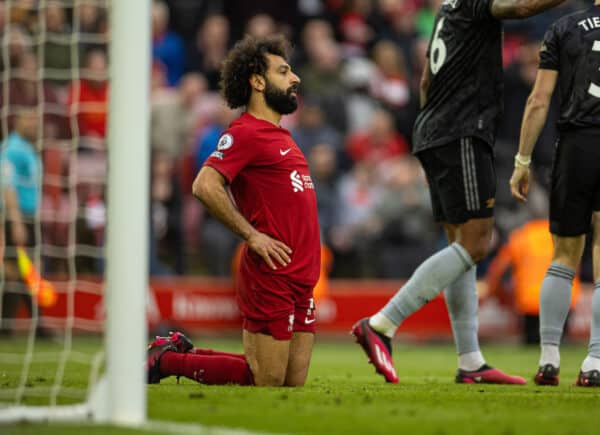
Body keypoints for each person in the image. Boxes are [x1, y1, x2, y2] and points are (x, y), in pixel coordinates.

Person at [351, 0, 567, 384]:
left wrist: (431, 128)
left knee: (460, 245)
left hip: (436, 130)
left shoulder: (447, 10)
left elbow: (424, 82)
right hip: (462, 131)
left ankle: (470, 361)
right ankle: (382, 324)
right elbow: (518, 9)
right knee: (478, 241)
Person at [146, 34, 321, 387]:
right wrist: (252, 235)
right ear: (257, 82)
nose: (295, 78)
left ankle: (175, 351)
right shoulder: (245, 132)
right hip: (273, 273)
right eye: (284, 71)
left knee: (291, 384)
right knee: (265, 381)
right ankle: (169, 362)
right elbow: (204, 185)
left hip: (304, 276)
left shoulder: (281, 136)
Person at [509, 1, 600, 387]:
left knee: (563, 255)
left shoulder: (564, 27)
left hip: (578, 145)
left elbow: (539, 100)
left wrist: (523, 160)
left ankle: (548, 358)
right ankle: (595, 361)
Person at [0, 109, 48, 337]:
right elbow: (7, 185)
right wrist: (16, 220)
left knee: (25, 271)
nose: (34, 124)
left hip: (30, 215)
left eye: (36, 120)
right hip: (17, 216)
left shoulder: (29, 148)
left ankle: (15, 326)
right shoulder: (12, 148)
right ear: (18, 121)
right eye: (29, 120)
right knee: (14, 271)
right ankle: (34, 326)